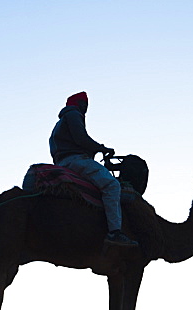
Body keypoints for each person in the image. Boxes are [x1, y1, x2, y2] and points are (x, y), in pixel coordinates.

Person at [49, 91, 137, 247]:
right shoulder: (73, 115)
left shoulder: (60, 123)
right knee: (112, 185)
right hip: (75, 161)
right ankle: (115, 232)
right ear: (78, 104)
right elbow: (81, 138)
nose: (86, 107)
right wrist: (101, 148)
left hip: (63, 163)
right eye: (84, 103)